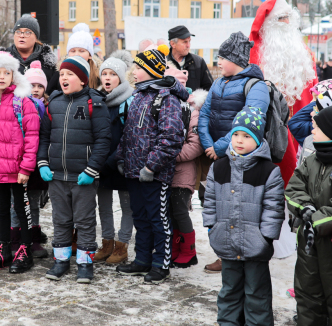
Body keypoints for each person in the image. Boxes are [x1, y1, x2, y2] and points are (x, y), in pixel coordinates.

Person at [249, 0, 318, 259]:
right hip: (264, 131)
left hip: (298, 130)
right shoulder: (255, 53)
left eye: (288, 17)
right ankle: (265, 240)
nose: (286, 22)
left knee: (297, 184)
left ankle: (291, 240)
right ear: (267, 24)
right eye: (280, 18)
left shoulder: (303, 54)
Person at [203, 106, 285, 326]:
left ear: (258, 139)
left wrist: (265, 238)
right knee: (229, 292)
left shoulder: (268, 171)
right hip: (226, 244)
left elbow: (274, 209)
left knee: (256, 295)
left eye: (246, 136)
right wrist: (212, 227)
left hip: (255, 247)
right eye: (235, 134)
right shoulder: (218, 167)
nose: (239, 140)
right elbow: (209, 200)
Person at [115, 45, 188, 284]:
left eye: (138, 67)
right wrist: (122, 159)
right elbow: (128, 133)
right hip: (133, 172)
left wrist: (151, 167)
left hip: (154, 174)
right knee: (141, 218)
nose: (134, 71)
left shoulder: (166, 99)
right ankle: (142, 260)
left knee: (159, 220)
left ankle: (160, 264)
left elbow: (171, 139)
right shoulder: (138, 96)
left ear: (150, 70)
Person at [198, 31, 270, 273]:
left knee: (238, 206)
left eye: (222, 57)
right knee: (214, 204)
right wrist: (209, 144)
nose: (218, 62)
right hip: (215, 156)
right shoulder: (219, 82)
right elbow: (205, 113)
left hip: (241, 158)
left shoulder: (256, 86)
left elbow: (251, 123)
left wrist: (219, 147)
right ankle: (222, 251)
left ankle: (239, 252)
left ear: (236, 60)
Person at [37, 55, 111, 283]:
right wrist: (42, 162)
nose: (64, 78)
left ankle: (85, 263)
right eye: (61, 74)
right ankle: (60, 261)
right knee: (60, 220)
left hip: (83, 177)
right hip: (57, 175)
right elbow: (44, 136)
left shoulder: (94, 103)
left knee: (85, 221)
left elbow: (103, 140)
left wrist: (91, 170)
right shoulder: (55, 102)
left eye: (70, 74)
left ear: (82, 79)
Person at [0, 51, 40, 274]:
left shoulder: (23, 102)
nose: (2, 77)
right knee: (2, 209)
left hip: (17, 169)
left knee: (21, 209)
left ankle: (25, 250)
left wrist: (26, 168)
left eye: (6, 72)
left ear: (14, 75)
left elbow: (32, 137)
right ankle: (4, 250)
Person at [285, 105, 332, 326]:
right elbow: (294, 188)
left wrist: (314, 220)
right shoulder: (312, 160)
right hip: (309, 245)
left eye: (316, 127)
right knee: (307, 294)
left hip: (328, 242)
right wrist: (305, 209)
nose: (312, 131)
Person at [94, 55, 134, 265]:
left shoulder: (129, 100)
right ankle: (107, 242)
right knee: (104, 205)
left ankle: (122, 245)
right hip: (101, 164)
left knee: (128, 206)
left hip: (121, 163)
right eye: (105, 74)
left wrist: (113, 158)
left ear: (121, 78)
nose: (107, 78)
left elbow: (129, 136)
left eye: (112, 74)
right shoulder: (98, 99)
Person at [10, 60, 49, 258]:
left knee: (33, 203)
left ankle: (33, 237)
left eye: (39, 86)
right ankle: (15, 238)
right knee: (16, 204)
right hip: (17, 163)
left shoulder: (46, 108)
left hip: (36, 165)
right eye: (32, 85)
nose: (35, 89)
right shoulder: (19, 104)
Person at [171, 86, 208, 269]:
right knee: (172, 210)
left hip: (184, 169)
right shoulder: (175, 111)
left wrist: (170, 155)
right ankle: (176, 248)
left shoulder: (194, 115)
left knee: (179, 210)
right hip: (171, 170)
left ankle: (189, 251)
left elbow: (195, 146)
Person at [0, 14, 59, 94]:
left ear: (36, 37)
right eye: (18, 32)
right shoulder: (2, 60)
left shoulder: (48, 64)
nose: (21, 35)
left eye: (27, 32)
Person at [166, 25, 213, 92]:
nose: (188, 45)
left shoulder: (198, 62)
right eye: (184, 42)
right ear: (173, 44)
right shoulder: (163, 62)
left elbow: (209, 88)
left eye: (189, 41)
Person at [66, 23, 100, 89]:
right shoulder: (60, 73)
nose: (76, 54)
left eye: (81, 51)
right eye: (73, 51)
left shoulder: (98, 75)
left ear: (90, 55)